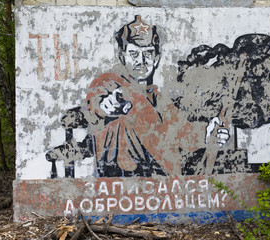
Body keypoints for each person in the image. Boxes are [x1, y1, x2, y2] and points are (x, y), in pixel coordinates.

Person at [82, 15, 229, 177]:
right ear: (122, 56)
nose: (142, 61)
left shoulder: (161, 101)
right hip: (122, 184)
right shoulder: (111, 83)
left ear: (156, 58)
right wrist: (105, 106)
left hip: (162, 189)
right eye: (134, 53)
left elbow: (184, 133)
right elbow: (96, 101)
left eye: (148, 53)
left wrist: (208, 134)